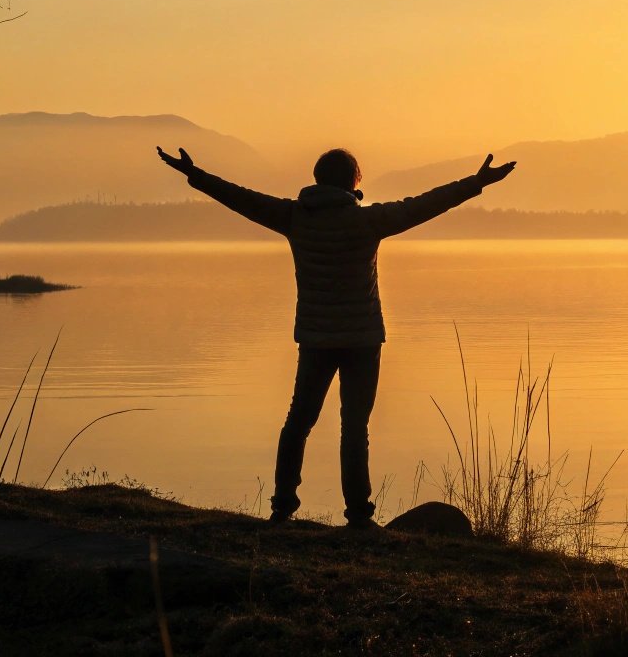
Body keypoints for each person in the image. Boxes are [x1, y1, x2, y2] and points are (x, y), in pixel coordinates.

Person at [156, 143, 516, 527]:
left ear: (317, 179)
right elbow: (424, 205)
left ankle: (281, 507)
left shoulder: (294, 216)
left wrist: (196, 176)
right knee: (354, 427)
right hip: (362, 339)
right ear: (353, 182)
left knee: (299, 421)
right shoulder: (367, 220)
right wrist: (476, 182)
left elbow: (241, 199)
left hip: (316, 339)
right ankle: (358, 516)